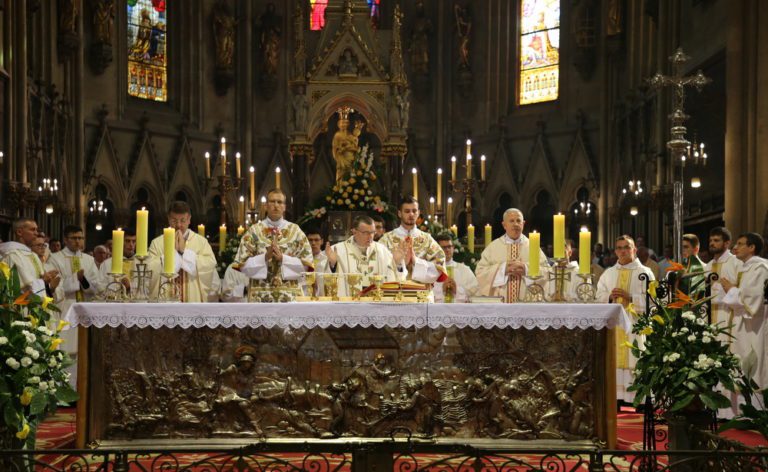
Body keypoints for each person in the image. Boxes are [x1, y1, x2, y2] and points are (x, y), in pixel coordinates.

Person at [596, 235, 655, 403]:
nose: (623, 251)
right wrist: (609, 297)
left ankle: (637, 399)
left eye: (627, 247)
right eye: (619, 248)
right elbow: (598, 297)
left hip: (635, 325)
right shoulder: (608, 273)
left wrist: (631, 297)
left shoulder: (645, 273)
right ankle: (615, 398)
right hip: (614, 326)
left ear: (634, 249)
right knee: (613, 359)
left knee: (635, 357)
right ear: (615, 251)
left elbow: (654, 301)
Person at [234, 188, 313, 302]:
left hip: (290, 296)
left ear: (284, 207)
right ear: (266, 205)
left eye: (280, 202)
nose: (276, 205)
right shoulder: (254, 231)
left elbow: (307, 266)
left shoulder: (296, 232)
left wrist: (283, 258)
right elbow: (243, 266)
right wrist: (265, 257)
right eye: (272, 201)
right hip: (260, 297)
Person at [721, 232, 768, 404]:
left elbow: (753, 300)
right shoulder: (745, 267)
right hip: (742, 323)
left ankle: (756, 408)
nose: (735, 247)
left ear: (752, 247)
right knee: (741, 360)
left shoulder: (760, 268)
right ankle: (741, 408)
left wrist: (731, 289)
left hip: (755, 325)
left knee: (753, 362)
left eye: (740, 244)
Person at [147, 201, 218, 302]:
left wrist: (184, 252)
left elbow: (209, 266)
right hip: (164, 300)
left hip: (192, 302)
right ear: (168, 219)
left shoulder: (201, 242)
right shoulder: (157, 243)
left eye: (183, 220)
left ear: (189, 220)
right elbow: (149, 270)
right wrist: (173, 256)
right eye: (174, 220)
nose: (178, 225)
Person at [475, 208, 548, 303]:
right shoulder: (493, 247)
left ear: (523, 224)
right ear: (504, 225)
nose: (515, 224)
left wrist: (526, 269)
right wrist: (502, 269)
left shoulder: (533, 247)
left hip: (527, 303)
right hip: (500, 304)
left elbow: (547, 272)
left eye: (518, 221)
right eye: (511, 221)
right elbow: (480, 273)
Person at [326, 215, 405, 296]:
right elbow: (325, 279)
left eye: (372, 232)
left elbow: (394, 278)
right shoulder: (338, 250)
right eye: (366, 233)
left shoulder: (382, 250)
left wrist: (397, 263)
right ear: (354, 231)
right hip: (350, 302)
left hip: (376, 301)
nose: (370, 236)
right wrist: (332, 264)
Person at [379, 196, 445, 284]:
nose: (411, 214)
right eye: (407, 211)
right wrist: (398, 262)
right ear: (399, 213)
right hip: (395, 290)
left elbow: (439, 266)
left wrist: (416, 261)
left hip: (421, 291)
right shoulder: (386, 239)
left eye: (414, 211)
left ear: (418, 213)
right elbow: (378, 266)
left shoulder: (427, 240)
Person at [0, 218, 62, 299]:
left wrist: (49, 283)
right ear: (19, 232)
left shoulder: (33, 255)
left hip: (38, 303)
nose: (36, 233)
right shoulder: (12, 255)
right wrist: (44, 281)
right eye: (32, 230)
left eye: (36, 230)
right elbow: (18, 288)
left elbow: (39, 282)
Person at [46, 225, 103, 307]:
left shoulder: (89, 259)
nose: (77, 241)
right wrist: (75, 277)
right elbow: (55, 286)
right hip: (65, 305)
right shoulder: (55, 258)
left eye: (80, 238)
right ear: (65, 240)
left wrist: (83, 280)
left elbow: (97, 285)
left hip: (86, 304)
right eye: (73, 238)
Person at [705, 227, 744, 331]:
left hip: (729, 313)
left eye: (716, 240)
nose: (712, 243)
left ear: (727, 243)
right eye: (710, 240)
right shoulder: (708, 266)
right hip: (709, 315)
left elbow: (744, 290)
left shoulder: (736, 262)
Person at [433, 234, 478, 303]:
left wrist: (457, 290)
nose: (447, 250)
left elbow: (475, 292)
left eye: (449, 247)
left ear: (453, 248)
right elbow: (424, 294)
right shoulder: (430, 270)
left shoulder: (465, 270)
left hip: (460, 308)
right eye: (443, 247)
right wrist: (441, 289)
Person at [98, 228, 137, 294]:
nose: (131, 245)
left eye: (134, 241)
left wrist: (130, 286)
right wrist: (119, 286)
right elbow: (100, 287)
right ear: (120, 242)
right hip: (113, 299)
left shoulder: (140, 263)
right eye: (127, 241)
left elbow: (146, 285)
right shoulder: (107, 264)